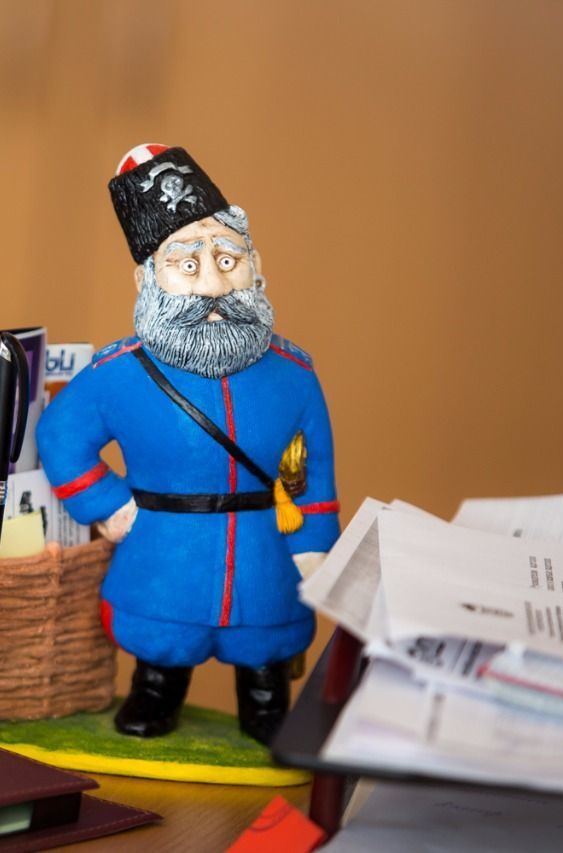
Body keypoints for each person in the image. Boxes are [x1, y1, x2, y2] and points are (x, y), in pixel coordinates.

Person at [36, 144, 341, 744]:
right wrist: (107, 504)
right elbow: (61, 435)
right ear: (147, 279)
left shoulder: (294, 375)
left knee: (266, 639)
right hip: (162, 549)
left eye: (228, 261)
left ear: (255, 266)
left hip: (263, 551)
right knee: (161, 638)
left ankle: (265, 700)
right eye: (188, 266)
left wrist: (312, 543)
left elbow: (310, 471)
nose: (213, 286)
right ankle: (155, 689)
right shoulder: (120, 374)